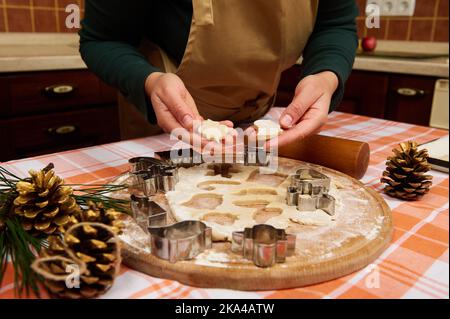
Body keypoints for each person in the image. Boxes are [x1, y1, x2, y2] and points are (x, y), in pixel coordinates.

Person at [79, 0, 358, 147]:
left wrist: (325, 74)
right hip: (164, 122)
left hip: (259, 122)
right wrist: (150, 82)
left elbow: (335, 23)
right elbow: (102, 39)